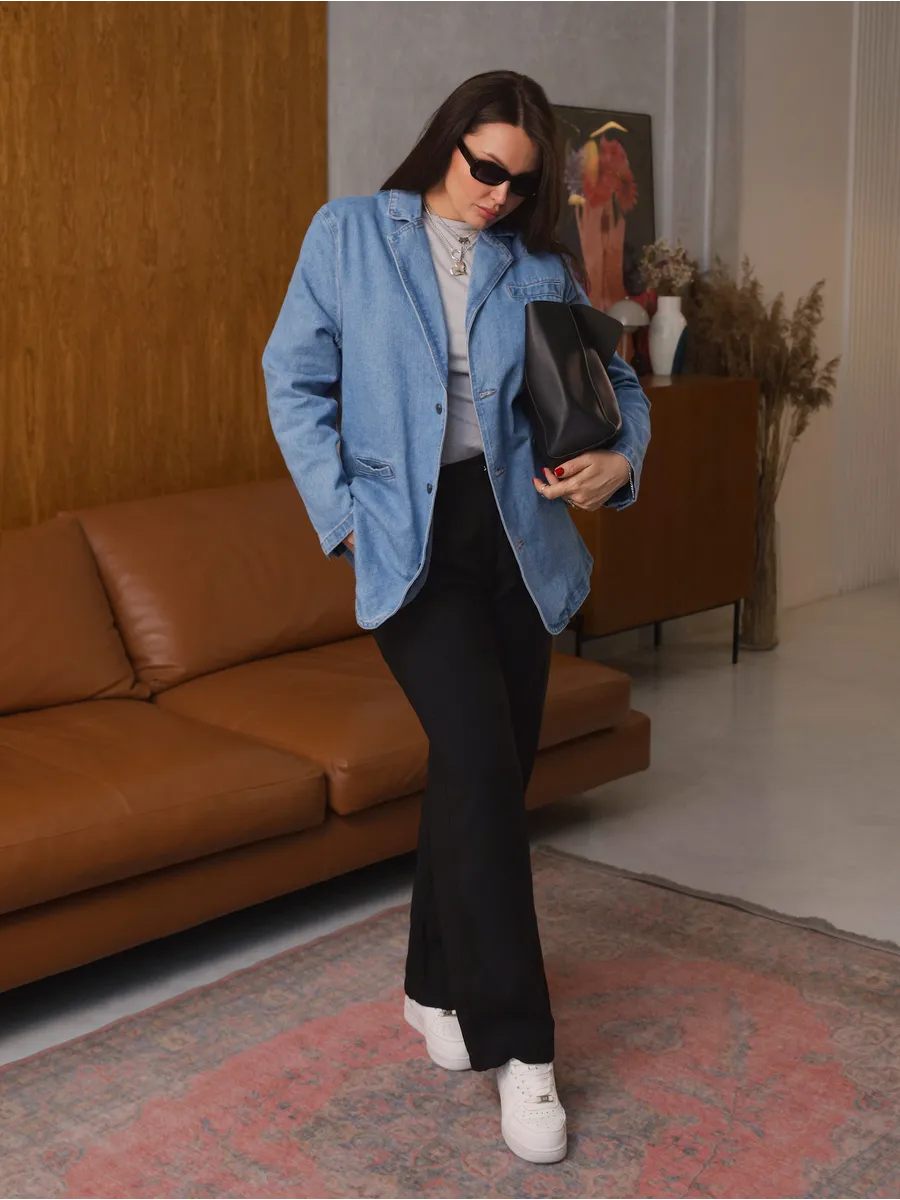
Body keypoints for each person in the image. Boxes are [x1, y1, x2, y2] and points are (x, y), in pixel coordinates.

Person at [262, 69, 651, 1165]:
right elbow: (292, 379)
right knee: (481, 765)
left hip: (518, 538)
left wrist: (619, 462)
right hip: (407, 538)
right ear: (447, 142)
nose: (498, 194)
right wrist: (344, 518)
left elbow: (618, 388)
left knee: (487, 772)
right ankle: (523, 1049)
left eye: (520, 183)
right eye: (486, 169)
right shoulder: (348, 236)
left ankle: (432, 984)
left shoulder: (539, 264)